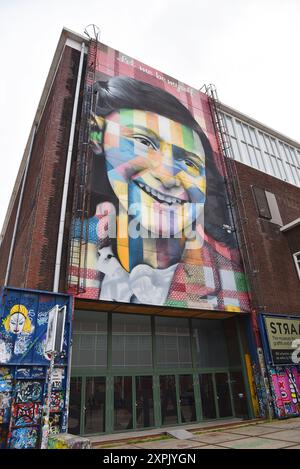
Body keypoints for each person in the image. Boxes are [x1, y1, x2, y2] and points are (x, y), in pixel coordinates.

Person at [72, 76, 248, 311]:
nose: (167, 176)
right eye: (144, 142)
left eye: (189, 162)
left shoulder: (230, 281)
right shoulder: (75, 251)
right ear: (97, 136)